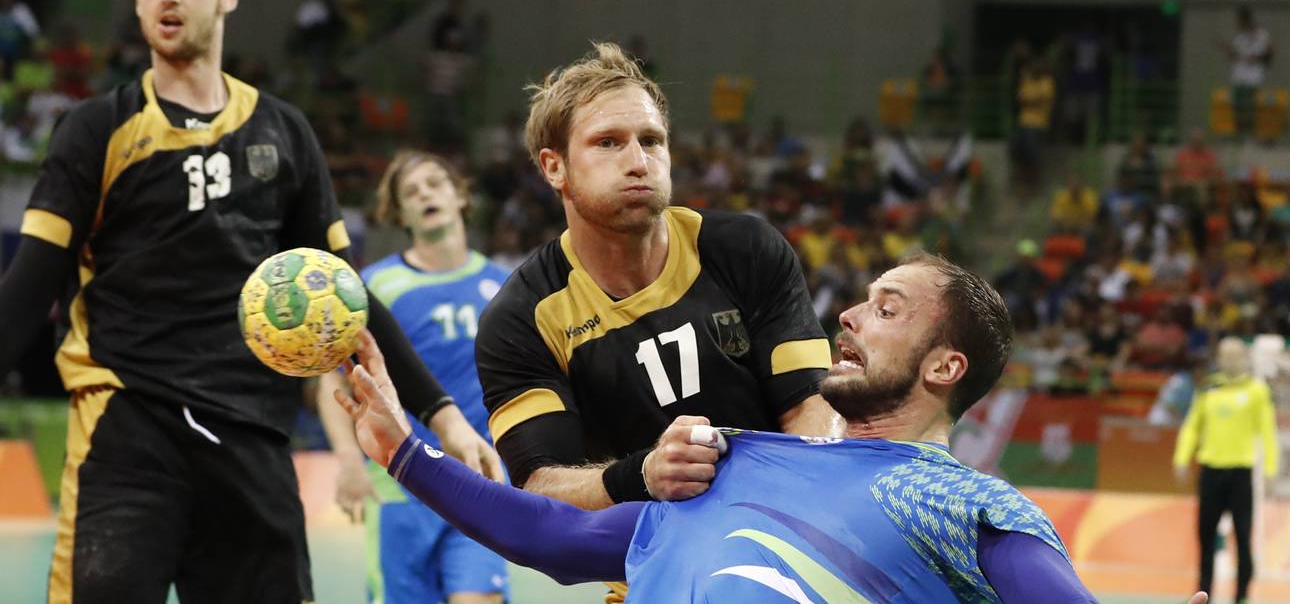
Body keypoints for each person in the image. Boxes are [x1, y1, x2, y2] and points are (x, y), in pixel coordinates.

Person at [0, 0, 499, 604]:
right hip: (125, 432)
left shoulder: (283, 132)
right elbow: (28, 287)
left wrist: (443, 417)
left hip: (252, 438)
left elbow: (346, 294)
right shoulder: (96, 130)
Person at [335, 253, 1212, 603]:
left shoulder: (963, 505)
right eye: (860, 299)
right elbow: (555, 538)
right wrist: (401, 450)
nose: (850, 317)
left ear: (946, 367)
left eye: (887, 309)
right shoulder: (735, 462)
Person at [474, 41, 834, 598]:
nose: (638, 161)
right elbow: (540, 488)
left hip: (783, 559)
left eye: (651, 140)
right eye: (608, 143)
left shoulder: (746, 250)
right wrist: (641, 474)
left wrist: (772, 517)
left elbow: (813, 408)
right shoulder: (523, 318)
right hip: (651, 576)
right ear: (554, 167)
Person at [317, 151, 510, 604]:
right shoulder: (376, 289)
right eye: (411, 192)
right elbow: (334, 382)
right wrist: (346, 458)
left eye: (435, 183)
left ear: (459, 195)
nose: (425, 194)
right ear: (398, 214)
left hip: (477, 482)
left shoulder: (503, 285)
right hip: (401, 493)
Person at [1174, 336, 1280, 604]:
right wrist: (1181, 458)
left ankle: (1242, 594)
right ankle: (1203, 592)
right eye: (1225, 355)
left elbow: (1267, 432)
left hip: (1241, 473)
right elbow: (1191, 426)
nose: (1230, 360)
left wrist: (1270, 467)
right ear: (1219, 359)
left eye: (1235, 355)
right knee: (1206, 536)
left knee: (1243, 536)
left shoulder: (1256, 391)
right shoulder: (1209, 388)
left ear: (1244, 358)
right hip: (1211, 471)